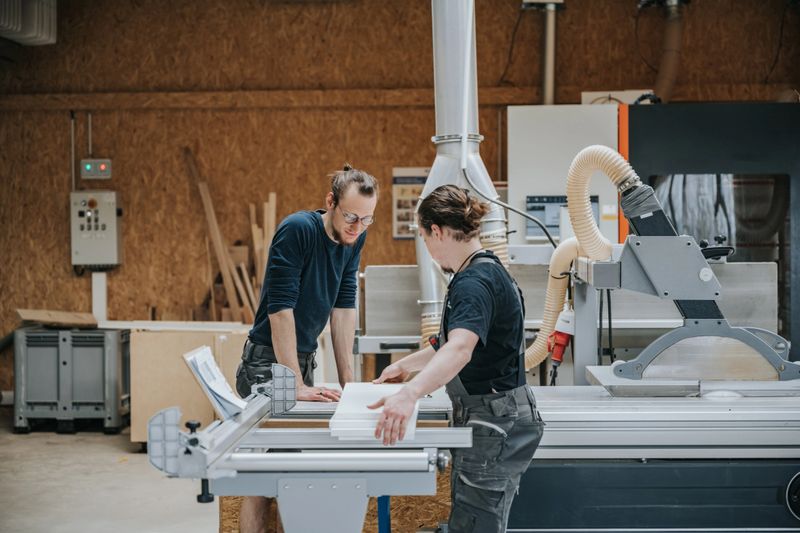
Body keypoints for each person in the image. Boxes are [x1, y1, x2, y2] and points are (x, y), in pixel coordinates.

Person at [370, 184, 544, 533]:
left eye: (424, 238)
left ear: (436, 231)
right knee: (471, 519)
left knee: (476, 525)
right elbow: (451, 343)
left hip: (494, 419)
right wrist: (404, 366)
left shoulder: (474, 282)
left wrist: (410, 394)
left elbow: (460, 349)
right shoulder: (485, 270)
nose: (430, 251)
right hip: (493, 415)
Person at [236, 164, 379, 533]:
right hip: (268, 362)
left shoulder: (354, 238)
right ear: (330, 202)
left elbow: (344, 308)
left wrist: (351, 382)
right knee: (261, 474)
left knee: (290, 472)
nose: (357, 226)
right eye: (350, 216)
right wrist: (294, 382)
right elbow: (280, 310)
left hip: (300, 360)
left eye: (366, 219)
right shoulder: (298, 230)